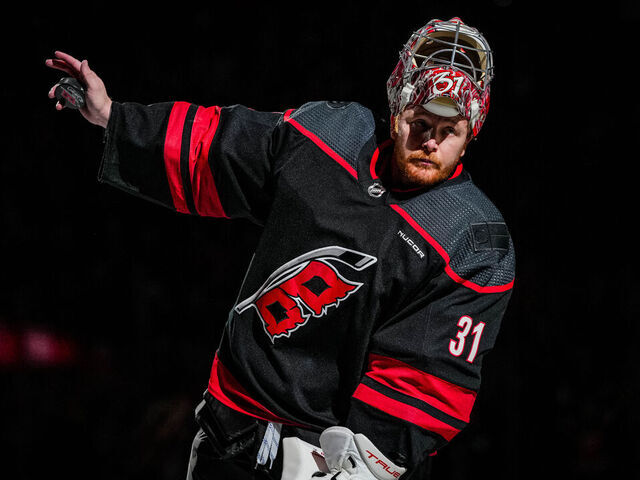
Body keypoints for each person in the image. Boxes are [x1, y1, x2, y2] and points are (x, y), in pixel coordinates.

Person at [46, 17, 515, 480]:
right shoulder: (328, 134)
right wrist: (113, 115)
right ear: (396, 109)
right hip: (233, 430)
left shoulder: (473, 241)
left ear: (471, 133)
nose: (430, 141)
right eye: (420, 121)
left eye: (447, 130)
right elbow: (216, 146)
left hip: (334, 459)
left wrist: (358, 469)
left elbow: (429, 378)